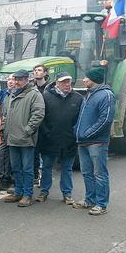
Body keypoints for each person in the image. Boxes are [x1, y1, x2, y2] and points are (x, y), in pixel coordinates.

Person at [73, 66, 116, 215]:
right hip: (83, 141)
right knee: (87, 173)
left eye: (87, 78)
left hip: (97, 142)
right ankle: (89, 199)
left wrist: (88, 133)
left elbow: (106, 119)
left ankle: (101, 204)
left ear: (94, 80)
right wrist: (77, 131)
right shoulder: (89, 94)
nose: (84, 80)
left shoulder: (106, 95)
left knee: (99, 173)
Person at [36, 72, 83, 204]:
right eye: (64, 82)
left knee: (67, 168)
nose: (67, 84)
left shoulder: (78, 98)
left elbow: (79, 119)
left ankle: (67, 194)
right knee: (46, 167)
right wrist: (46, 133)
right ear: (57, 83)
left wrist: (74, 134)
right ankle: (44, 191)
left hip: (69, 141)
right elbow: (41, 118)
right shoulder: (46, 97)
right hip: (49, 140)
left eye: (69, 81)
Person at [1, 69, 45, 207]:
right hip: (12, 137)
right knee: (16, 167)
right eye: (15, 79)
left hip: (26, 139)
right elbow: (5, 113)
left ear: (27, 79)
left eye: (20, 79)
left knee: (27, 168)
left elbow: (38, 114)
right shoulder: (11, 94)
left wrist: (27, 131)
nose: (16, 82)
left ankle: (27, 194)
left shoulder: (34, 94)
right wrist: (4, 128)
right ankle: (19, 192)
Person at [0, 74, 15, 192]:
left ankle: (13, 181)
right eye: (8, 80)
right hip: (4, 129)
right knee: (2, 155)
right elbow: (2, 113)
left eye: (13, 80)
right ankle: (3, 179)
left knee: (13, 157)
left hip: (15, 131)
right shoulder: (4, 94)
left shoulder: (18, 95)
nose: (10, 82)